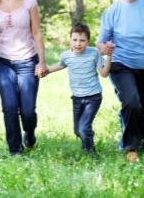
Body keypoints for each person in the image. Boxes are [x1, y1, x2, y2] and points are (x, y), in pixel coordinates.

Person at [0, 0, 47, 155]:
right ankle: (15, 150)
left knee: (28, 111)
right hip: (2, 61)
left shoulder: (29, 1)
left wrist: (42, 62)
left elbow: (37, 31)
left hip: (28, 60)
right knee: (10, 106)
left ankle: (29, 134)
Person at [97, 0, 144, 163]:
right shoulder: (113, 11)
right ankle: (131, 147)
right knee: (132, 101)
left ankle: (138, 138)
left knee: (141, 106)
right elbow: (100, 42)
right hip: (121, 63)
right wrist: (104, 47)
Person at [43, 23, 113, 156]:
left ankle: (91, 154)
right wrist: (46, 71)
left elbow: (104, 74)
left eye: (82, 40)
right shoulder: (66, 55)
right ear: (70, 40)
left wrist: (109, 56)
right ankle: (87, 135)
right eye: (74, 40)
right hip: (77, 98)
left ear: (88, 41)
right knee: (77, 130)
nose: (78, 43)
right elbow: (61, 64)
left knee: (83, 128)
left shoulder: (94, 53)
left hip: (93, 97)